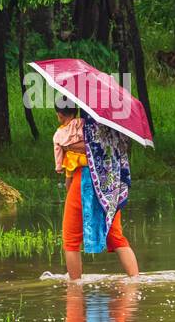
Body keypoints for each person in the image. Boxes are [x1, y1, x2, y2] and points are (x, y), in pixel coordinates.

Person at [53, 98, 139, 280]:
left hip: (82, 181)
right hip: (109, 185)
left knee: (71, 240)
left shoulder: (68, 133)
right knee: (115, 236)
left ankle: (75, 286)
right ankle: (135, 280)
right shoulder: (112, 129)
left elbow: (70, 162)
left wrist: (67, 147)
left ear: (60, 115)